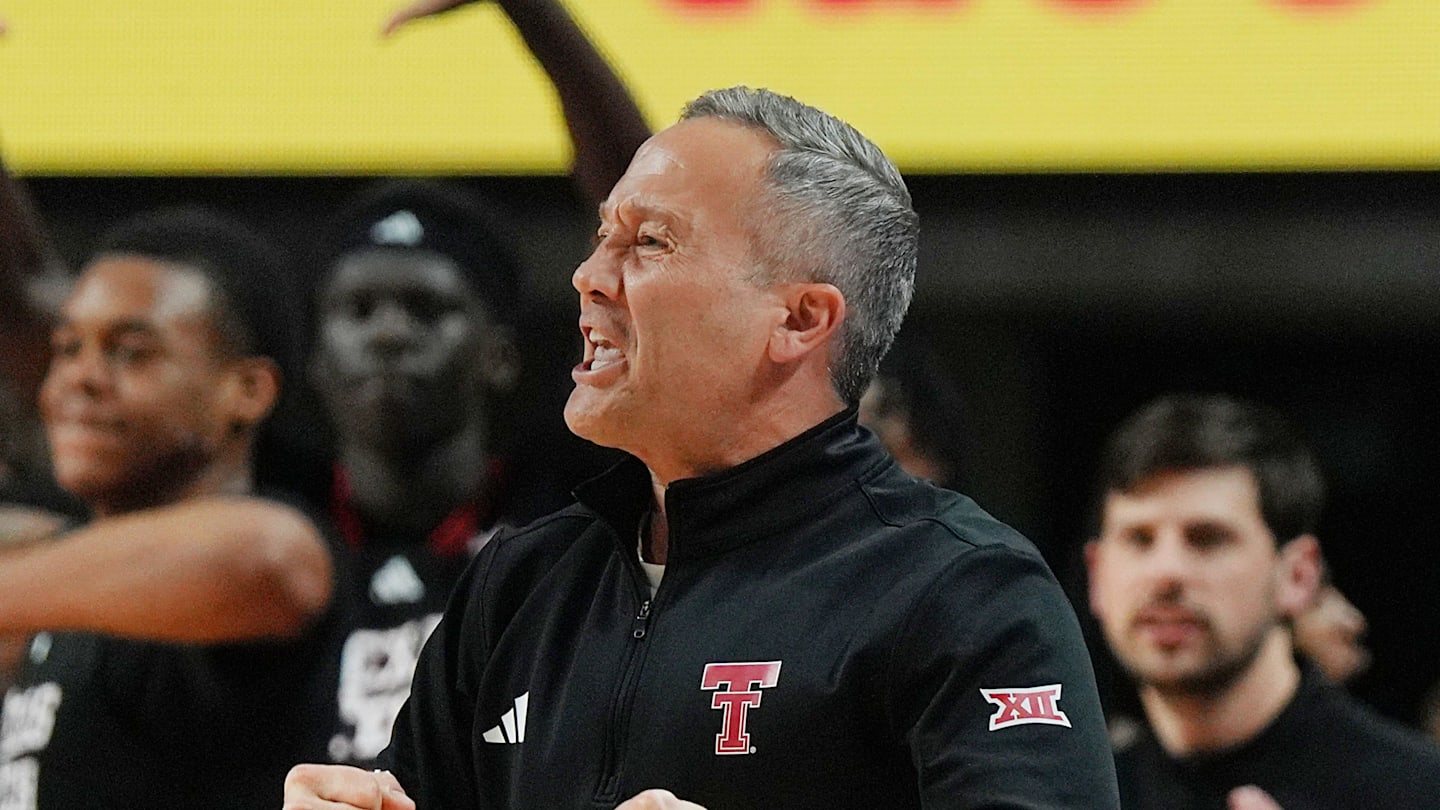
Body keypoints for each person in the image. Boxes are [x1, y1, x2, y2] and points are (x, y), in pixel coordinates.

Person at [285, 85, 1118, 809]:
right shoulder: (519, 586)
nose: (589, 275)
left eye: (649, 242)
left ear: (799, 320)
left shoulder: (962, 589)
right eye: (602, 236)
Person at [309, 0, 650, 770]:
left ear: (498, 355)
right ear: (315, 359)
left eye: (426, 309)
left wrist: (534, 12)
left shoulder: (578, 505)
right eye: (358, 310)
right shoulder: (275, 509)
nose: (388, 334)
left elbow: (651, 239)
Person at [0, 206, 341, 808]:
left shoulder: (269, 544)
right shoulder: (52, 571)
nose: (81, 377)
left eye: (131, 352)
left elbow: (269, 557)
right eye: (68, 348)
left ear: (247, 390)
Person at [1086, 393, 1440, 809]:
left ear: (1297, 575)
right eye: (1139, 539)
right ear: (1097, 574)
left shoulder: (1414, 790)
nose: (1166, 573)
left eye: (1208, 539)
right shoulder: (1072, 792)